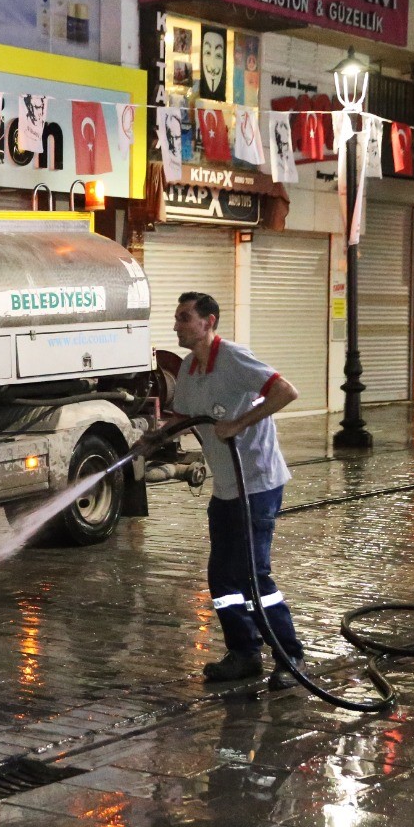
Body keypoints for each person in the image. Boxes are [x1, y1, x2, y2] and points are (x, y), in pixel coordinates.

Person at [171, 292, 305, 689]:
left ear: (208, 321)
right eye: (177, 318)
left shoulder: (233, 358)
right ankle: (244, 653)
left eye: (184, 318)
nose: (176, 326)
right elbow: (184, 416)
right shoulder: (188, 367)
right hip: (227, 487)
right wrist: (154, 437)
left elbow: (285, 391)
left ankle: (290, 657)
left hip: (257, 483)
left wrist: (240, 423)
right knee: (222, 578)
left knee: (253, 576)